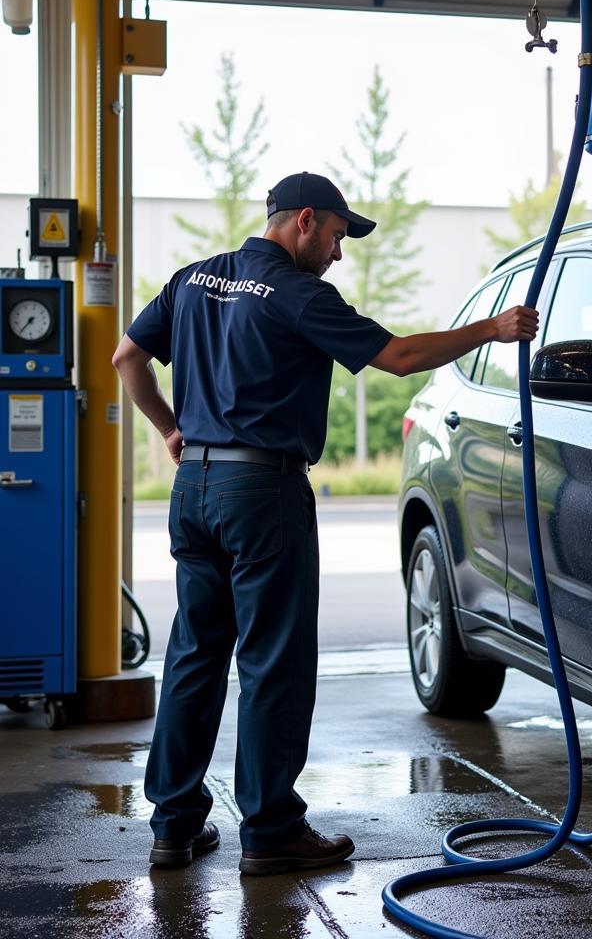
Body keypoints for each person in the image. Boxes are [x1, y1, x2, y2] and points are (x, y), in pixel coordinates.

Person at [113, 171, 539, 876]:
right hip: (262, 489)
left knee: (194, 654)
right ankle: (272, 829)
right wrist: (491, 329)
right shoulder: (297, 293)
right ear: (304, 220)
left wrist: (170, 431)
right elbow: (398, 359)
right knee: (272, 662)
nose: (339, 254)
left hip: (194, 487)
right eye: (339, 235)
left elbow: (127, 358)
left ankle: (173, 825)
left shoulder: (192, 280)